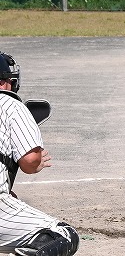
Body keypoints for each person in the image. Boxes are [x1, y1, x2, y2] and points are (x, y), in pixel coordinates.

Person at [0, 52, 80, 256]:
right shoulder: (10, 104)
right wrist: (37, 162)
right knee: (62, 235)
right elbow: (29, 161)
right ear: (4, 82)